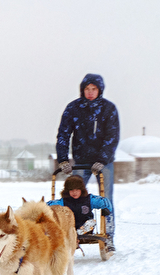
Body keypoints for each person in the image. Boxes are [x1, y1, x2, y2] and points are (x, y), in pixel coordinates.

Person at [56, 73, 119, 258]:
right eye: (87, 89)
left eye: (94, 89)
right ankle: (72, 233)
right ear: (82, 90)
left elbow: (112, 136)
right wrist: (63, 159)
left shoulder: (108, 109)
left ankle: (108, 237)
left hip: (103, 162)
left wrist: (103, 158)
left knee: (106, 198)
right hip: (81, 161)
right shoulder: (73, 108)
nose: (90, 92)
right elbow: (63, 134)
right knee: (71, 196)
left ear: (99, 90)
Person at [47, 174, 113, 238]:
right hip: (69, 228)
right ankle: (73, 233)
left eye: (77, 190)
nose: (74, 192)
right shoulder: (63, 202)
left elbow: (104, 202)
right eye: (72, 190)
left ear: (81, 190)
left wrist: (107, 208)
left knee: (91, 222)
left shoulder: (89, 200)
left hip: (85, 227)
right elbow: (48, 206)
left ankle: (80, 232)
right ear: (67, 191)